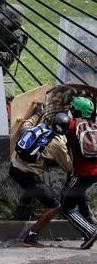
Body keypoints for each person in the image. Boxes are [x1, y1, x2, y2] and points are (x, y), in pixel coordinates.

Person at [9, 110, 73, 248]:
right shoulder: (58, 143)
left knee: (32, 189)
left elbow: (25, 125)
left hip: (13, 169)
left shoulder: (38, 128)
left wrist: (37, 113)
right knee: (55, 205)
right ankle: (31, 237)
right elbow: (68, 168)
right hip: (28, 175)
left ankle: (20, 212)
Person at [61, 96, 97, 249]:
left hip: (80, 173)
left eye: (72, 107)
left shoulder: (72, 125)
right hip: (94, 172)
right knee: (79, 194)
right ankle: (90, 221)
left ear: (76, 110)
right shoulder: (94, 125)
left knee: (64, 204)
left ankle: (90, 232)